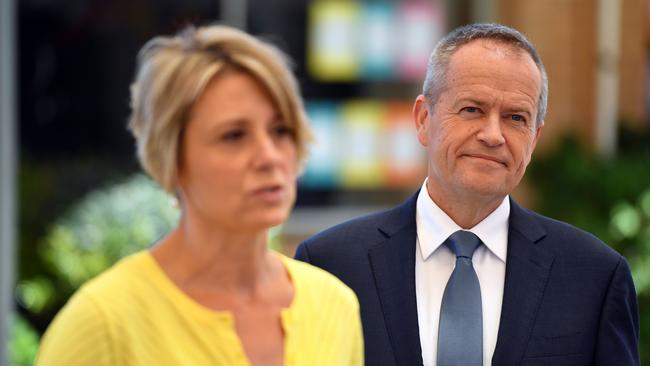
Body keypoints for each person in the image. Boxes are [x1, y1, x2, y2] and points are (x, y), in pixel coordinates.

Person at [295, 23, 640, 366]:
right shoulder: (329, 265)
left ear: (534, 140)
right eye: (472, 109)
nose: (493, 135)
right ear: (422, 119)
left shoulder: (593, 277)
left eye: (515, 118)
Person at [37, 24, 363, 366]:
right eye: (234, 135)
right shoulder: (103, 323)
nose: (269, 156)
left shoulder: (335, 305)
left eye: (280, 130)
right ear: (172, 156)